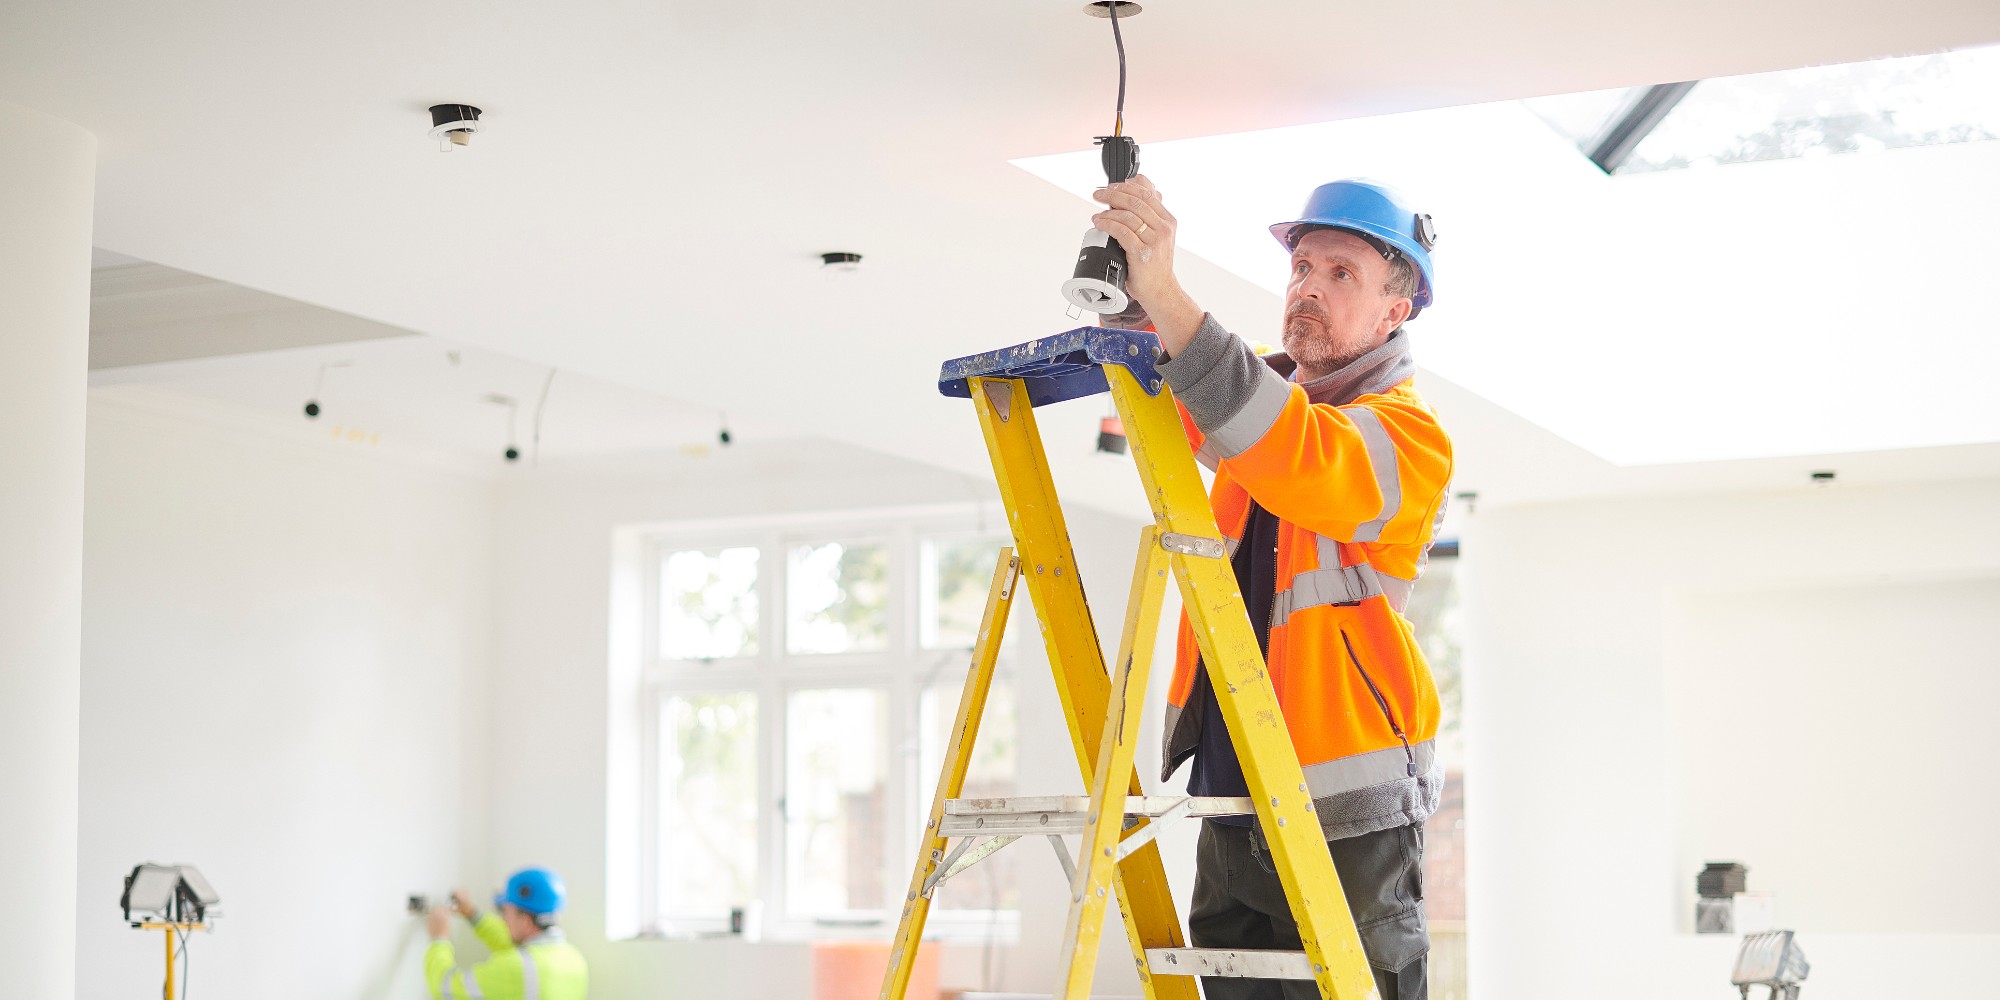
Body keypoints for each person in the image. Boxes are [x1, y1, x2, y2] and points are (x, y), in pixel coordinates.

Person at [1091, 176, 1451, 1000]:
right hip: (1232, 791)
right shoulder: (1257, 419)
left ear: (1394, 313)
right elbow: (1189, 396)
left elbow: (1290, 445)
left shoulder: (1409, 436)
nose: (1308, 291)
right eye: (1303, 270)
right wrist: (1129, 298)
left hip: (1341, 804)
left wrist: (1170, 292)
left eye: (1341, 276)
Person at [426, 867, 589, 1000]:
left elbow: (444, 988)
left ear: (525, 921)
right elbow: (507, 942)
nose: (503, 920)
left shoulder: (517, 968)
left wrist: (439, 939)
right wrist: (471, 914)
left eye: (505, 912)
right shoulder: (574, 959)